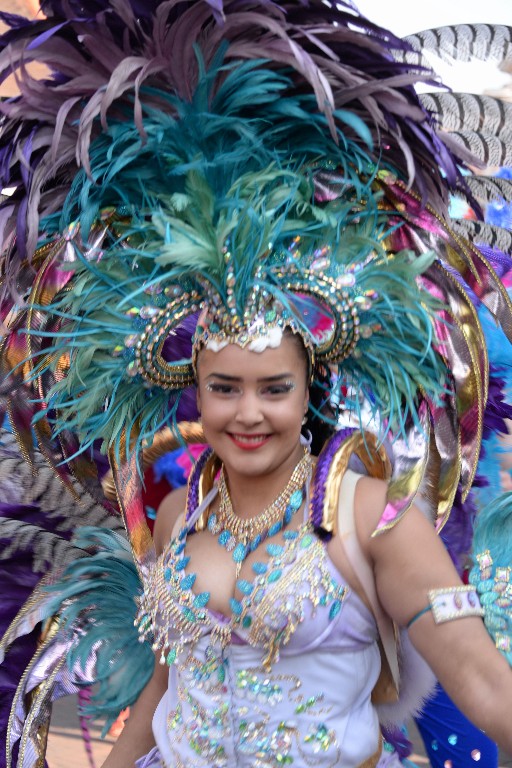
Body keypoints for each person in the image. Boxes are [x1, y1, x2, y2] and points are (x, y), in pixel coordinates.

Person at [1, 2, 512, 767]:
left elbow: (480, 682)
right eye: (224, 387)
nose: (248, 414)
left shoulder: (372, 516)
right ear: (194, 388)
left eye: (273, 387)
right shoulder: (177, 515)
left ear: (310, 387)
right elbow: (166, 689)